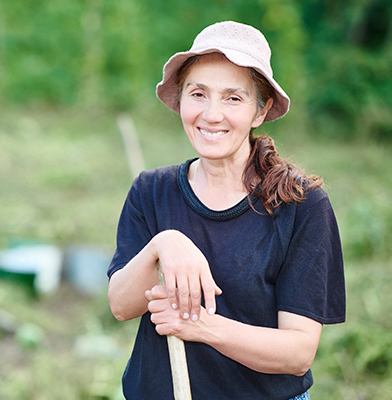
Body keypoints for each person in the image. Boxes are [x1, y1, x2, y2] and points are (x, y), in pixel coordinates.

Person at [107, 21, 345, 399]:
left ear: (259, 111)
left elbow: (297, 353)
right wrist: (162, 244)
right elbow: (121, 305)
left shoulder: (301, 204)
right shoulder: (152, 191)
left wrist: (200, 325)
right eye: (198, 94)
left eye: (233, 98)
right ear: (181, 100)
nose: (212, 114)